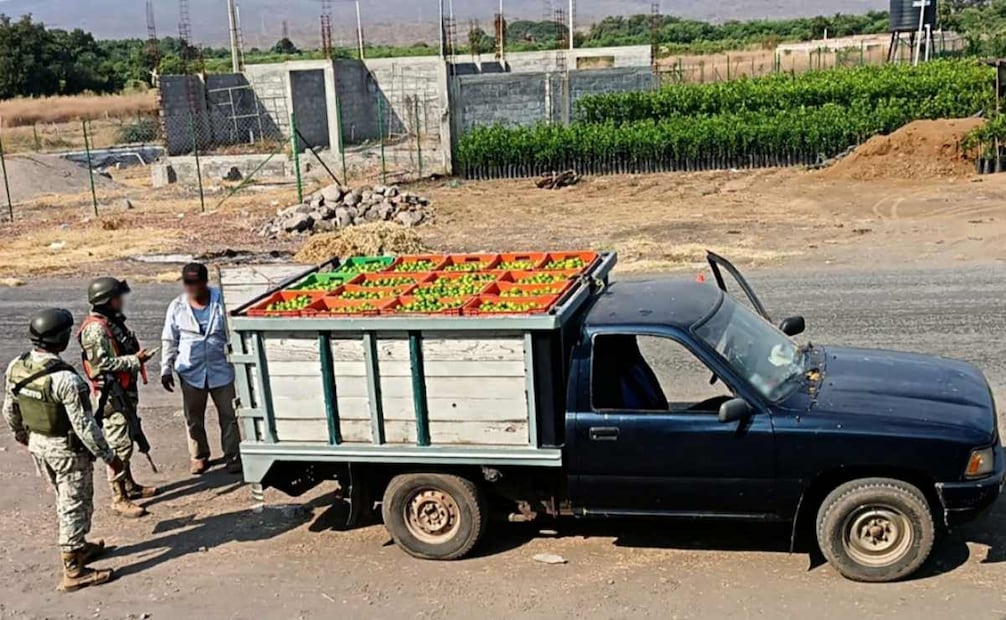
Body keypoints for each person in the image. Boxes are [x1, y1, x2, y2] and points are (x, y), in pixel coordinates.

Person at [2, 308, 124, 591]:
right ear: (62, 339)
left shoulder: (17, 366)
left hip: (39, 446)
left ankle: (78, 546)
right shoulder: (67, 380)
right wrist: (111, 458)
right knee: (75, 504)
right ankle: (73, 568)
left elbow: (10, 408)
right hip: (67, 452)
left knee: (63, 498)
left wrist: (21, 434)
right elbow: (84, 427)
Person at [78, 277, 159, 519]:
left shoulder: (110, 323)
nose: (121, 301)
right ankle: (119, 497)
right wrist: (135, 361)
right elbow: (100, 364)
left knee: (128, 437)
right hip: (111, 396)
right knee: (119, 445)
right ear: (106, 301)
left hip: (122, 391)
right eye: (116, 297)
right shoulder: (95, 329)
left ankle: (130, 486)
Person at [160, 263, 242, 475]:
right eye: (187, 282)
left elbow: (235, 330)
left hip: (221, 368)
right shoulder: (177, 306)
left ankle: (233, 454)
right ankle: (199, 455)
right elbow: (169, 338)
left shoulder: (221, 300)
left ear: (205, 282)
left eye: (195, 282)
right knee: (193, 417)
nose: (191, 287)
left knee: (229, 414)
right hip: (191, 371)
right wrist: (165, 368)